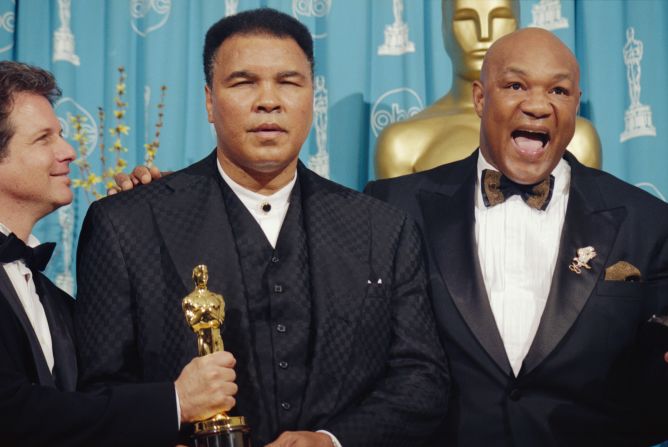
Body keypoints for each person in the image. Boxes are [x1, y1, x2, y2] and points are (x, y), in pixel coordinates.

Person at [75, 8, 448, 447]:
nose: (268, 100)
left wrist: (331, 440)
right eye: (244, 82)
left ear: (312, 95)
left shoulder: (382, 227)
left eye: (289, 82)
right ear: (210, 102)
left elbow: (422, 379)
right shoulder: (126, 223)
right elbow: (101, 393)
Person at [366, 27, 668, 446]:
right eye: (515, 85)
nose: (538, 106)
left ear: (576, 106)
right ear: (479, 98)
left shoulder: (647, 220)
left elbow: (652, 395)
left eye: (559, 91)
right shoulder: (395, 208)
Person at [0, 61, 243, 447]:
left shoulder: (50, 299)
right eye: (44, 138)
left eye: (61, 134)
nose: (68, 151)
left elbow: (91, 400)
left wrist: (139, 233)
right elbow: (13, 413)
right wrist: (176, 401)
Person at [374, 0, 601, 179]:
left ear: (519, 23)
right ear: (443, 27)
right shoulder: (402, 143)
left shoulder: (578, 138)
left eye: (500, 17)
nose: (484, 33)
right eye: (465, 19)